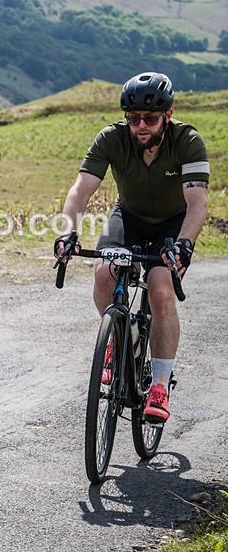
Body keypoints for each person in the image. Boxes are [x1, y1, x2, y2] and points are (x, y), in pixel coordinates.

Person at [55, 71, 209, 423]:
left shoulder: (188, 141)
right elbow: (81, 189)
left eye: (150, 118)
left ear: (167, 116)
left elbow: (197, 203)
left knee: (160, 289)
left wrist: (184, 245)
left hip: (172, 224)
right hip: (129, 216)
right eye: (133, 117)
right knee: (103, 274)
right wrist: (67, 232)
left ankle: (159, 384)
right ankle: (119, 337)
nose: (140, 125)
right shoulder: (111, 138)